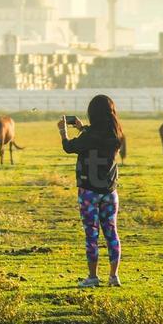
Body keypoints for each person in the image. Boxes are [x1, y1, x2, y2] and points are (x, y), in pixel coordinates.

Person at [59, 94, 124, 287]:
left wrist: (64, 132)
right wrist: (82, 128)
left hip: (89, 192)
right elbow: (96, 138)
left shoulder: (89, 136)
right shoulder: (116, 134)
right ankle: (114, 276)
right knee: (112, 233)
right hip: (110, 192)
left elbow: (70, 147)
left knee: (92, 234)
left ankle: (93, 277)